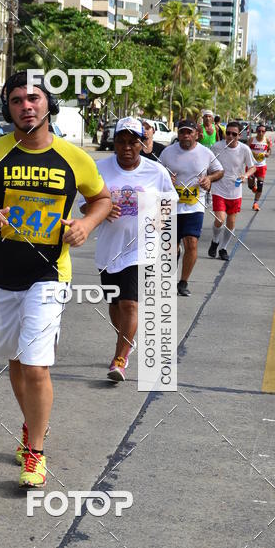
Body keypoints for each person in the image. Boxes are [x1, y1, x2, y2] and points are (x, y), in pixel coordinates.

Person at [0, 71, 111, 488]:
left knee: (36, 365)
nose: (26, 106)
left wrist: (87, 225)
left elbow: (102, 198)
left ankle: (36, 452)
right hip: (0, 276)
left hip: (49, 273)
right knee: (17, 362)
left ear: (48, 105)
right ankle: (31, 427)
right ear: (9, 107)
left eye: (34, 98)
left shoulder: (76, 158)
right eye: (17, 99)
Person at [81, 117, 175, 382]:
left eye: (133, 142)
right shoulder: (99, 169)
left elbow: (169, 201)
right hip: (110, 249)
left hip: (142, 248)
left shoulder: (156, 171)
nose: (126, 147)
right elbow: (83, 205)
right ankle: (127, 341)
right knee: (114, 305)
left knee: (130, 303)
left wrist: (159, 221)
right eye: (121, 141)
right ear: (114, 143)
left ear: (142, 143)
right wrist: (100, 209)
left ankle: (119, 359)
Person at [159, 118, 224, 296]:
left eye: (189, 132)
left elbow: (219, 171)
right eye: (182, 132)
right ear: (178, 134)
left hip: (195, 205)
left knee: (192, 244)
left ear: (196, 134)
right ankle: (170, 276)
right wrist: (165, 178)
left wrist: (209, 179)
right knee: (171, 247)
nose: (186, 135)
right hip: (171, 205)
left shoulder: (205, 153)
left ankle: (183, 282)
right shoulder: (167, 152)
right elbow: (155, 173)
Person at [208, 121, 257, 261]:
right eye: (227, 133)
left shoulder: (244, 149)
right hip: (219, 187)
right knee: (220, 218)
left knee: (231, 222)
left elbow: (252, 167)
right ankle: (215, 240)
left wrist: (245, 176)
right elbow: (208, 164)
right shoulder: (217, 147)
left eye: (233, 134)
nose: (230, 136)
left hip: (235, 190)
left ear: (239, 135)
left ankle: (223, 248)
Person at [247, 122, 271, 210]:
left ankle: (255, 203)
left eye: (263, 131)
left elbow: (269, 150)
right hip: (251, 166)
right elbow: (246, 151)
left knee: (260, 185)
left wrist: (267, 154)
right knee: (250, 185)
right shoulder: (251, 140)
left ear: (265, 132)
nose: (261, 133)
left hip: (262, 166)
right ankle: (253, 187)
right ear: (256, 131)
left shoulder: (267, 140)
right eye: (259, 131)